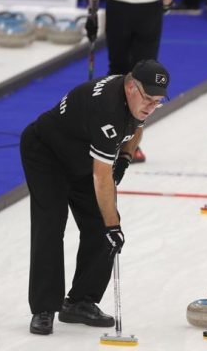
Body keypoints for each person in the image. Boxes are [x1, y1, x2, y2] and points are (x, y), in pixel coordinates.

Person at [20, 59, 170, 335]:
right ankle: (44, 307)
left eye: (158, 101)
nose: (151, 106)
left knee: (99, 228)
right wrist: (113, 226)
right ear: (131, 85)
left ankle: (79, 302)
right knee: (51, 225)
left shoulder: (136, 100)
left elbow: (137, 124)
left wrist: (125, 156)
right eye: (148, 99)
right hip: (46, 154)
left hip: (81, 157)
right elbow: (102, 178)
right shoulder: (108, 109)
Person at [85, 0, 177, 162]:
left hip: (118, 8)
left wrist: (92, 11)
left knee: (117, 74)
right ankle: (131, 148)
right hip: (148, 9)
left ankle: (107, 140)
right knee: (144, 80)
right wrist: (166, 5)